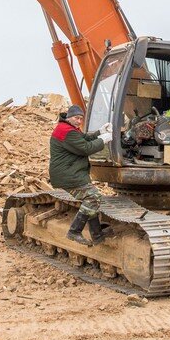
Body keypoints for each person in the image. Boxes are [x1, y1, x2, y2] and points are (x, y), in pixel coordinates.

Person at [49, 105, 114, 246]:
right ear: (69, 117)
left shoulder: (69, 128)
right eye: (76, 118)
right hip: (68, 174)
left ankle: (97, 235)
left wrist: (100, 132)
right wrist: (104, 139)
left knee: (90, 199)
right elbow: (85, 148)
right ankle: (74, 231)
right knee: (92, 197)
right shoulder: (66, 132)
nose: (79, 121)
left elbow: (84, 138)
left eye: (81, 119)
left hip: (72, 172)